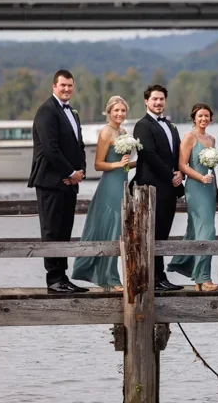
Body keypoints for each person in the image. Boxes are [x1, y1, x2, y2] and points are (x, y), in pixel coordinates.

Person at [29, 69, 88, 294]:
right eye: (62, 85)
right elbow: (50, 149)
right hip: (50, 181)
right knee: (52, 230)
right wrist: (70, 171)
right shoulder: (46, 111)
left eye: (70, 85)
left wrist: (80, 171)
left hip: (69, 182)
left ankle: (63, 277)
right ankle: (53, 279)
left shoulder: (72, 112)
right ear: (54, 86)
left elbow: (79, 145)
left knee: (65, 230)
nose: (66, 89)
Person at [72, 95, 132, 291]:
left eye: (123, 110)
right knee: (113, 227)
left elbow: (124, 164)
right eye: (116, 110)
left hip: (122, 182)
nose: (120, 114)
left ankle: (111, 274)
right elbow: (98, 165)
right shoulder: (106, 132)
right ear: (108, 112)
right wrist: (117, 164)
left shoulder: (123, 131)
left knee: (120, 230)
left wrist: (137, 162)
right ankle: (110, 278)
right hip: (110, 185)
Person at [132, 84, 184, 292]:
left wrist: (181, 172)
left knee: (163, 233)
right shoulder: (142, 126)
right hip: (151, 188)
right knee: (151, 233)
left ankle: (160, 276)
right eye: (154, 99)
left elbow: (178, 154)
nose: (158, 102)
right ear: (146, 101)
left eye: (161, 99)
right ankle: (153, 277)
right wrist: (170, 175)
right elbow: (149, 155)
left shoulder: (171, 126)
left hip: (169, 188)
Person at [167, 103, 218, 291]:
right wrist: (200, 177)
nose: (203, 119)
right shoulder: (190, 137)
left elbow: (213, 166)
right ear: (194, 118)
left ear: (210, 118)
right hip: (196, 187)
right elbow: (182, 165)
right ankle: (204, 277)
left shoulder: (212, 139)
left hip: (210, 187)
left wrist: (214, 184)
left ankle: (198, 276)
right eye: (200, 116)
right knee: (208, 232)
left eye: (206, 116)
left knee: (198, 232)